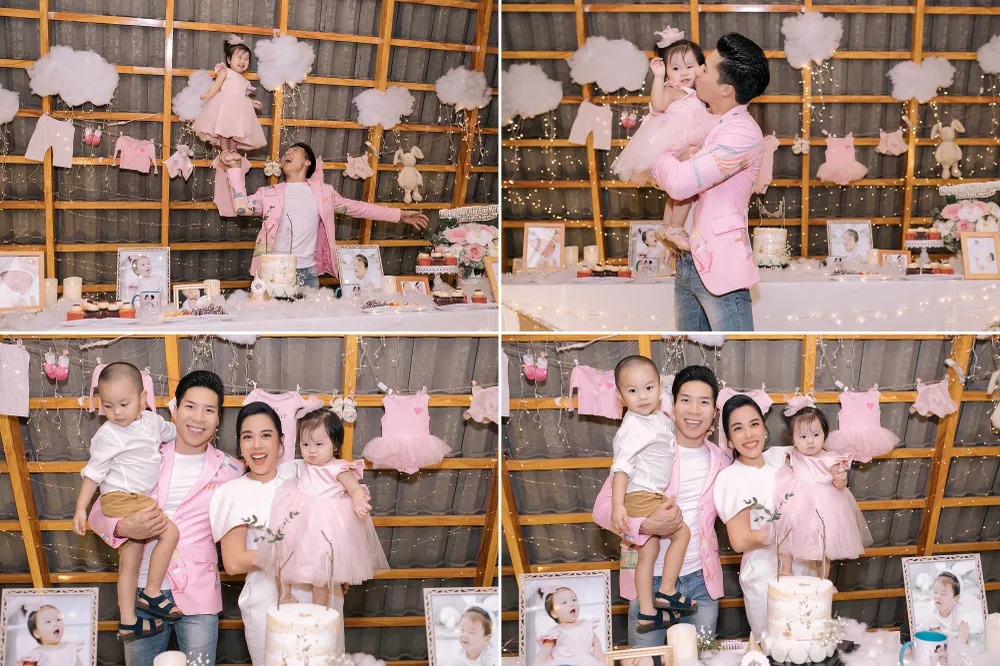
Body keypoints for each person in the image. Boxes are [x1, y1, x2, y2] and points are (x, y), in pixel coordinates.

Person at [88, 371, 245, 666]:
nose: (198, 418)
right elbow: (98, 511)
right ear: (175, 409)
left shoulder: (232, 470)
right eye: (190, 406)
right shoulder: (143, 449)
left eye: (208, 410)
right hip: (141, 592)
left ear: (218, 418)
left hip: (199, 593)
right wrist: (123, 526)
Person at [593, 365, 730, 645]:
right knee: (645, 661)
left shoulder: (723, 462)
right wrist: (643, 525)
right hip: (649, 582)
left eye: (704, 402)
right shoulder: (649, 448)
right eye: (686, 400)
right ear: (672, 405)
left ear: (714, 412)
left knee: (701, 660)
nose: (694, 410)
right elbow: (602, 510)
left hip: (701, 583)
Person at [209, 402, 349, 664]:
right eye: (247, 437)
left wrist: (339, 562)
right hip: (269, 605)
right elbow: (234, 561)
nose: (257, 445)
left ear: (281, 442)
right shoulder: (231, 492)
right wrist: (294, 552)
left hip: (323, 600)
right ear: (239, 444)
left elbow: (339, 514)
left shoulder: (303, 472)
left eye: (266, 435)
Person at [648, 33, 771, 331]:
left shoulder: (741, 132)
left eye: (707, 68)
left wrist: (657, 148)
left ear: (726, 89)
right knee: (690, 354)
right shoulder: (702, 120)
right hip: (686, 260)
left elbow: (678, 184)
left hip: (721, 269)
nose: (698, 70)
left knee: (734, 355)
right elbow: (662, 179)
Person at [712, 394, 848, 636]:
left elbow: (818, 449)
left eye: (754, 424)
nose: (749, 434)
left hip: (808, 571)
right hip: (766, 578)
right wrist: (784, 531)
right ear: (729, 439)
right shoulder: (730, 478)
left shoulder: (782, 456)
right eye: (738, 428)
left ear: (764, 427)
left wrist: (839, 476)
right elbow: (740, 540)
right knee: (774, 644)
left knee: (809, 642)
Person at [220, 144, 429, 288]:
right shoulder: (268, 193)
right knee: (271, 330)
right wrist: (235, 168)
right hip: (273, 273)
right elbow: (242, 208)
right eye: (286, 152)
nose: (287, 153)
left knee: (309, 332)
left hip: (308, 274)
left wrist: (399, 215)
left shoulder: (325, 193)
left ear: (308, 162)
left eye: (295, 151)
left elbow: (360, 208)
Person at [73, 363, 181, 641]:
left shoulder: (152, 422)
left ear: (143, 399)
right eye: (108, 406)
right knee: (170, 532)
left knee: (130, 562)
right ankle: (152, 592)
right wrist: (81, 508)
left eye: (124, 404)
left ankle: (128, 622)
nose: (117, 412)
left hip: (134, 499)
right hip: (121, 498)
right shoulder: (108, 435)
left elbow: (173, 431)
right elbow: (93, 474)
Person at [253, 406, 388, 604]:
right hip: (299, 517)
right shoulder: (304, 464)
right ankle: (285, 594)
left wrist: (359, 502)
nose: (311, 450)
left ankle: (319, 609)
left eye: (318, 444)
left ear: (335, 444)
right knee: (283, 554)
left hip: (325, 524)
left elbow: (355, 489)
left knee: (321, 574)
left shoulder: (339, 468)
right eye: (305, 444)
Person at [607, 356, 695, 634]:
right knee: (682, 534)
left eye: (648, 388)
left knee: (649, 551)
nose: (643, 396)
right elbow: (621, 468)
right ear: (620, 395)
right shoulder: (632, 427)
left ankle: (647, 612)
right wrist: (618, 505)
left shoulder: (657, 419)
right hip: (642, 494)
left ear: (659, 387)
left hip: (648, 493)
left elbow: (668, 434)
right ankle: (667, 589)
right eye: (632, 391)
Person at [611, 31, 717, 251]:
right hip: (673, 143)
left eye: (689, 66)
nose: (684, 73)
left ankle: (667, 226)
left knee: (676, 192)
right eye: (675, 68)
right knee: (687, 188)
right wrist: (658, 78)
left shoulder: (696, 93)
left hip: (684, 144)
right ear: (667, 72)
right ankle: (676, 227)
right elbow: (658, 105)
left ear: (700, 67)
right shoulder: (672, 90)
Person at [772, 403, 873, 576]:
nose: (810, 441)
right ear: (793, 439)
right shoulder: (793, 456)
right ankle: (786, 570)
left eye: (816, 435)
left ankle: (823, 579)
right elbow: (787, 473)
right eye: (803, 436)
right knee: (785, 533)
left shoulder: (830, 458)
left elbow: (841, 485)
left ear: (824, 434)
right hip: (797, 504)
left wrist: (840, 479)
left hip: (823, 507)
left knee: (823, 546)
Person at [194, 34, 266, 154]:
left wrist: (252, 102)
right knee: (224, 129)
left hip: (238, 111)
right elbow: (216, 85)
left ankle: (233, 150)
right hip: (226, 107)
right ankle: (225, 150)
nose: (242, 61)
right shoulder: (225, 71)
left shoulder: (245, 81)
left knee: (235, 132)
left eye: (246, 59)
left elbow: (243, 97)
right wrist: (209, 95)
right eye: (239, 58)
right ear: (229, 60)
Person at [532, 586, 603, 666]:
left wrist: (599, 657)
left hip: (586, 662)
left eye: (574, 600)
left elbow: (596, 642)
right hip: (564, 663)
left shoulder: (586, 625)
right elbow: (544, 651)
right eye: (564, 602)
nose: (571, 604)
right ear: (554, 613)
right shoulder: (556, 632)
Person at [15, 603, 84, 666]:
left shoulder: (70, 647)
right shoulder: (36, 654)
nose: (55, 624)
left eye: (58, 619)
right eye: (48, 622)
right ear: (37, 633)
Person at [923, 571, 970, 644]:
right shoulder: (933, 609)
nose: (937, 596)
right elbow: (935, 629)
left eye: (943, 594)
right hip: (945, 638)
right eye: (935, 592)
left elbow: (963, 630)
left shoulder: (958, 610)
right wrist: (946, 641)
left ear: (955, 599)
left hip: (958, 638)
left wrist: (959, 645)